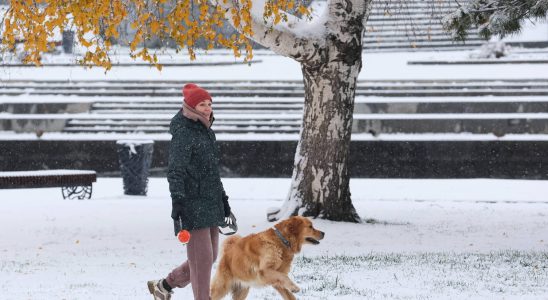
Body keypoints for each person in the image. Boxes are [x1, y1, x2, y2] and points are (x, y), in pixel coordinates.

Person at [148, 83, 232, 300]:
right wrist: (178, 201)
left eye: (209, 104)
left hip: (211, 201)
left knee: (209, 257)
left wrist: (224, 200)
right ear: (191, 107)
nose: (207, 108)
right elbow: (175, 171)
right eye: (202, 104)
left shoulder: (206, 131)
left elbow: (211, 172)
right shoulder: (184, 132)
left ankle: (165, 285)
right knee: (202, 261)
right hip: (192, 203)